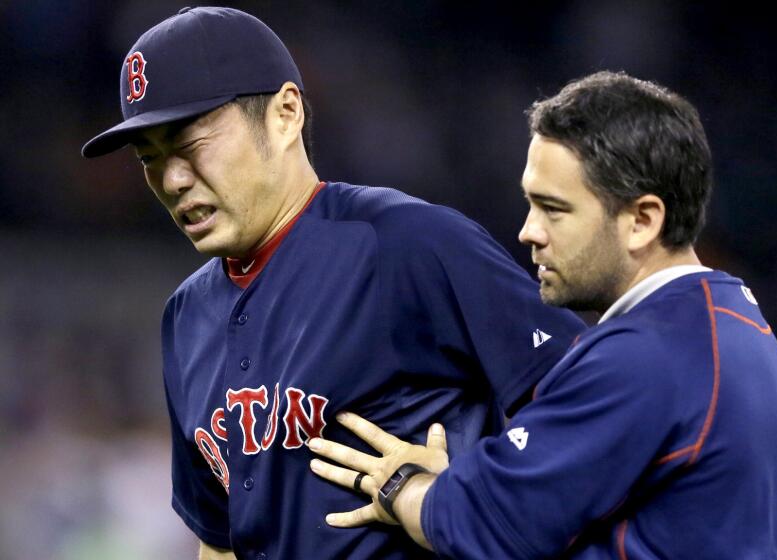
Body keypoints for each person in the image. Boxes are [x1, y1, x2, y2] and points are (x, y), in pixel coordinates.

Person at [81, 7, 585, 560]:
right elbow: (220, 541)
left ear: (286, 113)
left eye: (190, 145)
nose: (172, 179)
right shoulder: (186, 316)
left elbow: (591, 399)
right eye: (149, 158)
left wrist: (476, 489)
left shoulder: (407, 243)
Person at [307, 71, 777, 559]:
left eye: (554, 209)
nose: (529, 231)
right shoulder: (727, 319)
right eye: (530, 205)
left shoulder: (650, 353)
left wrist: (406, 488)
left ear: (643, 220)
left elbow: (486, 522)